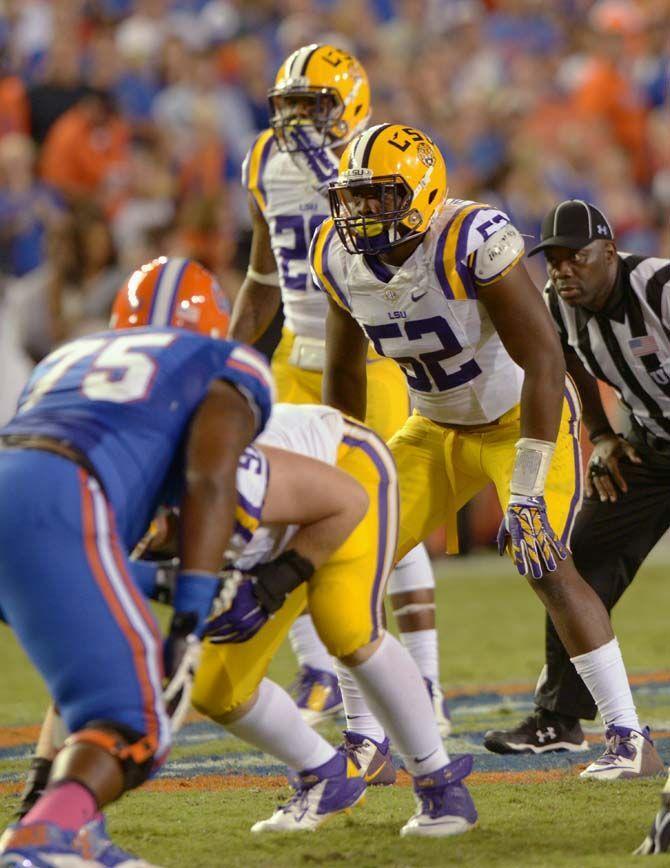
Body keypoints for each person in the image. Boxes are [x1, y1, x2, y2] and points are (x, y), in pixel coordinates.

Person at [311, 124, 663, 797]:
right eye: (354, 199)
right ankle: (365, 740)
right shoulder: (337, 255)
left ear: (421, 188)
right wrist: (342, 464)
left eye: (380, 196)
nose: (361, 214)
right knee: (342, 559)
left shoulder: (472, 239)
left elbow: (544, 359)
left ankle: (627, 735)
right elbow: (344, 372)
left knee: (545, 562)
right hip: (434, 426)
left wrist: (526, 488)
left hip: (517, 421)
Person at [0, 257, 274, 866]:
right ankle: (38, 839)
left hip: (21, 484)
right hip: (62, 494)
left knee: (89, 687)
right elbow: (209, 478)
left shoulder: (65, 358)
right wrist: (192, 611)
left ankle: (68, 828)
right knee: (136, 724)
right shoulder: (224, 361)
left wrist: (160, 578)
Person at [230, 43, 450, 746]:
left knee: (384, 505)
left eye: (313, 103)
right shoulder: (262, 159)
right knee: (283, 506)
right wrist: (230, 356)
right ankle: (319, 667)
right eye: (287, 103)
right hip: (297, 352)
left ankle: (427, 685)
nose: (297, 119)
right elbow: (264, 276)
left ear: (350, 104)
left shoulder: (374, 159)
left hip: (373, 353)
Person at [466, 199, 670, 841]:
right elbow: (571, 367)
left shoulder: (659, 286)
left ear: (610, 251)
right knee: (572, 565)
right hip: (650, 452)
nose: (561, 271)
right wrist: (605, 434)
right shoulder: (559, 309)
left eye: (574, 257)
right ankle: (560, 717)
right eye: (551, 260)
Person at [191, 402, 475, 836]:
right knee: (215, 689)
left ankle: (441, 786)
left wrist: (273, 583)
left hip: (344, 472)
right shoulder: (107, 515)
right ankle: (325, 775)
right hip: (259, 528)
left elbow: (346, 501)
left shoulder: (225, 482)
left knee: (346, 625)